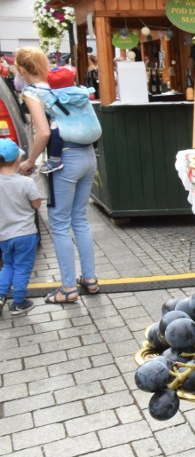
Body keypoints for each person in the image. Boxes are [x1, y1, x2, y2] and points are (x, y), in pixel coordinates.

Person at [14, 47, 99, 304]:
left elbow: (43, 132)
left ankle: (67, 288)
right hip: (88, 156)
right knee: (80, 219)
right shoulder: (64, 88)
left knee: (60, 224)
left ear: (21, 69)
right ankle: (90, 279)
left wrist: (29, 161)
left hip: (64, 160)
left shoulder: (33, 92)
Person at [0, 138, 41, 316]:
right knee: (22, 267)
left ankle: (0, 295)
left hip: (4, 235)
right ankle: (18, 302)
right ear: (18, 159)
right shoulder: (26, 183)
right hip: (26, 234)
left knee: (8, 265)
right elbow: (37, 204)